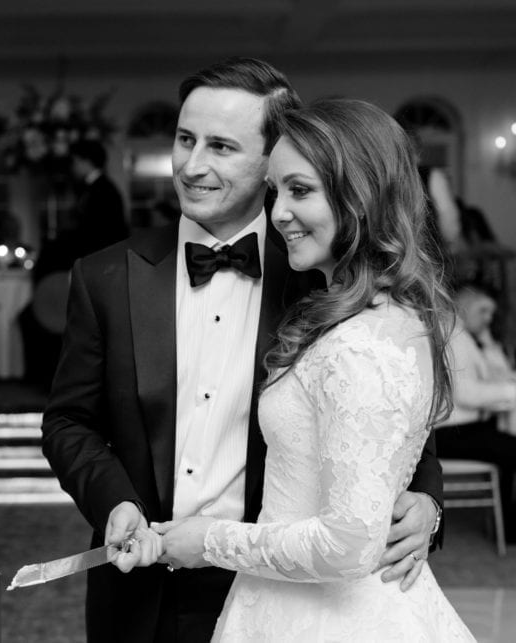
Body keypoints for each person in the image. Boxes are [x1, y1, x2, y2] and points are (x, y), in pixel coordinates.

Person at [41, 59, 444, 643]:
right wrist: (114, 505)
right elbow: (68, 420)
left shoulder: (321, 269)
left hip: (286, 588)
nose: (192, 165)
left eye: (222, 146)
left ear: (271, 158)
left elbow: (392, 408)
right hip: (140, 588)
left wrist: (427, 500)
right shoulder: (106, 275)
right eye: (185, 139)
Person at [149, 99, 472, 641]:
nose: (277, 213)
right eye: (277, 192)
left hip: (329, 617)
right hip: (285, 600)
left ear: (360, 197)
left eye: (300, 191)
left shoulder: (360, 344)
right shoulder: (373, 314)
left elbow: (349, 544)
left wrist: (210, 541)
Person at [436, 285, 516, 544]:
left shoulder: (467, 335)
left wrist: (488, 339)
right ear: (464, 306)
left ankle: (512, 524)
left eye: (492, 313)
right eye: (484, 311)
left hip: (471, 429)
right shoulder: (452, 336)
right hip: (452, 433)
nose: (489, 317)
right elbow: (466, 394)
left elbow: (497, 372)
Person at [69, 139, 130, 258]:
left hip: (102, 255)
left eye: (75, 162)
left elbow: (102, 230)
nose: (73, 167)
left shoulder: (103, 189)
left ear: (86, 161)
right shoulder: (95, 187)